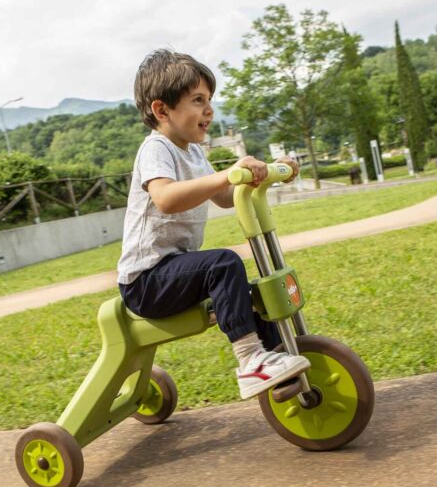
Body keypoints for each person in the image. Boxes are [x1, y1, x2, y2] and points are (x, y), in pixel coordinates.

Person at [116, 49, 310, 400]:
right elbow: (166, 198)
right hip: (146, 281)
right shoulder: (156, 149)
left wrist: (263, 171)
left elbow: (223, 196)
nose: (209, 110)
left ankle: (279, 357)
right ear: (162, 110)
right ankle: (251, 360)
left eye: (209, 100)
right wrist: (226, 175)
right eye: (197, 100)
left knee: (251, 295)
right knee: (223, 265)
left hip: (173, 271)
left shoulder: (192, 152)